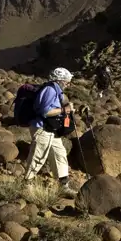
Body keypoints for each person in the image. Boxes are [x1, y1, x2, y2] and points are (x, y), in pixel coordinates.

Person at [25, 67, 77, 197]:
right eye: (66, 81)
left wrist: (68, 109)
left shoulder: (56, 90)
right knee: (38, 156)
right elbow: (45, 111)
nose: (68, 84)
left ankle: (63, 186)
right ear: (59, 80)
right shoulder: (49, 90)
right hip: (42, 128)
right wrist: (64, 110)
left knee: (60, 154)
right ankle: (26, 185)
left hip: (51, 129)